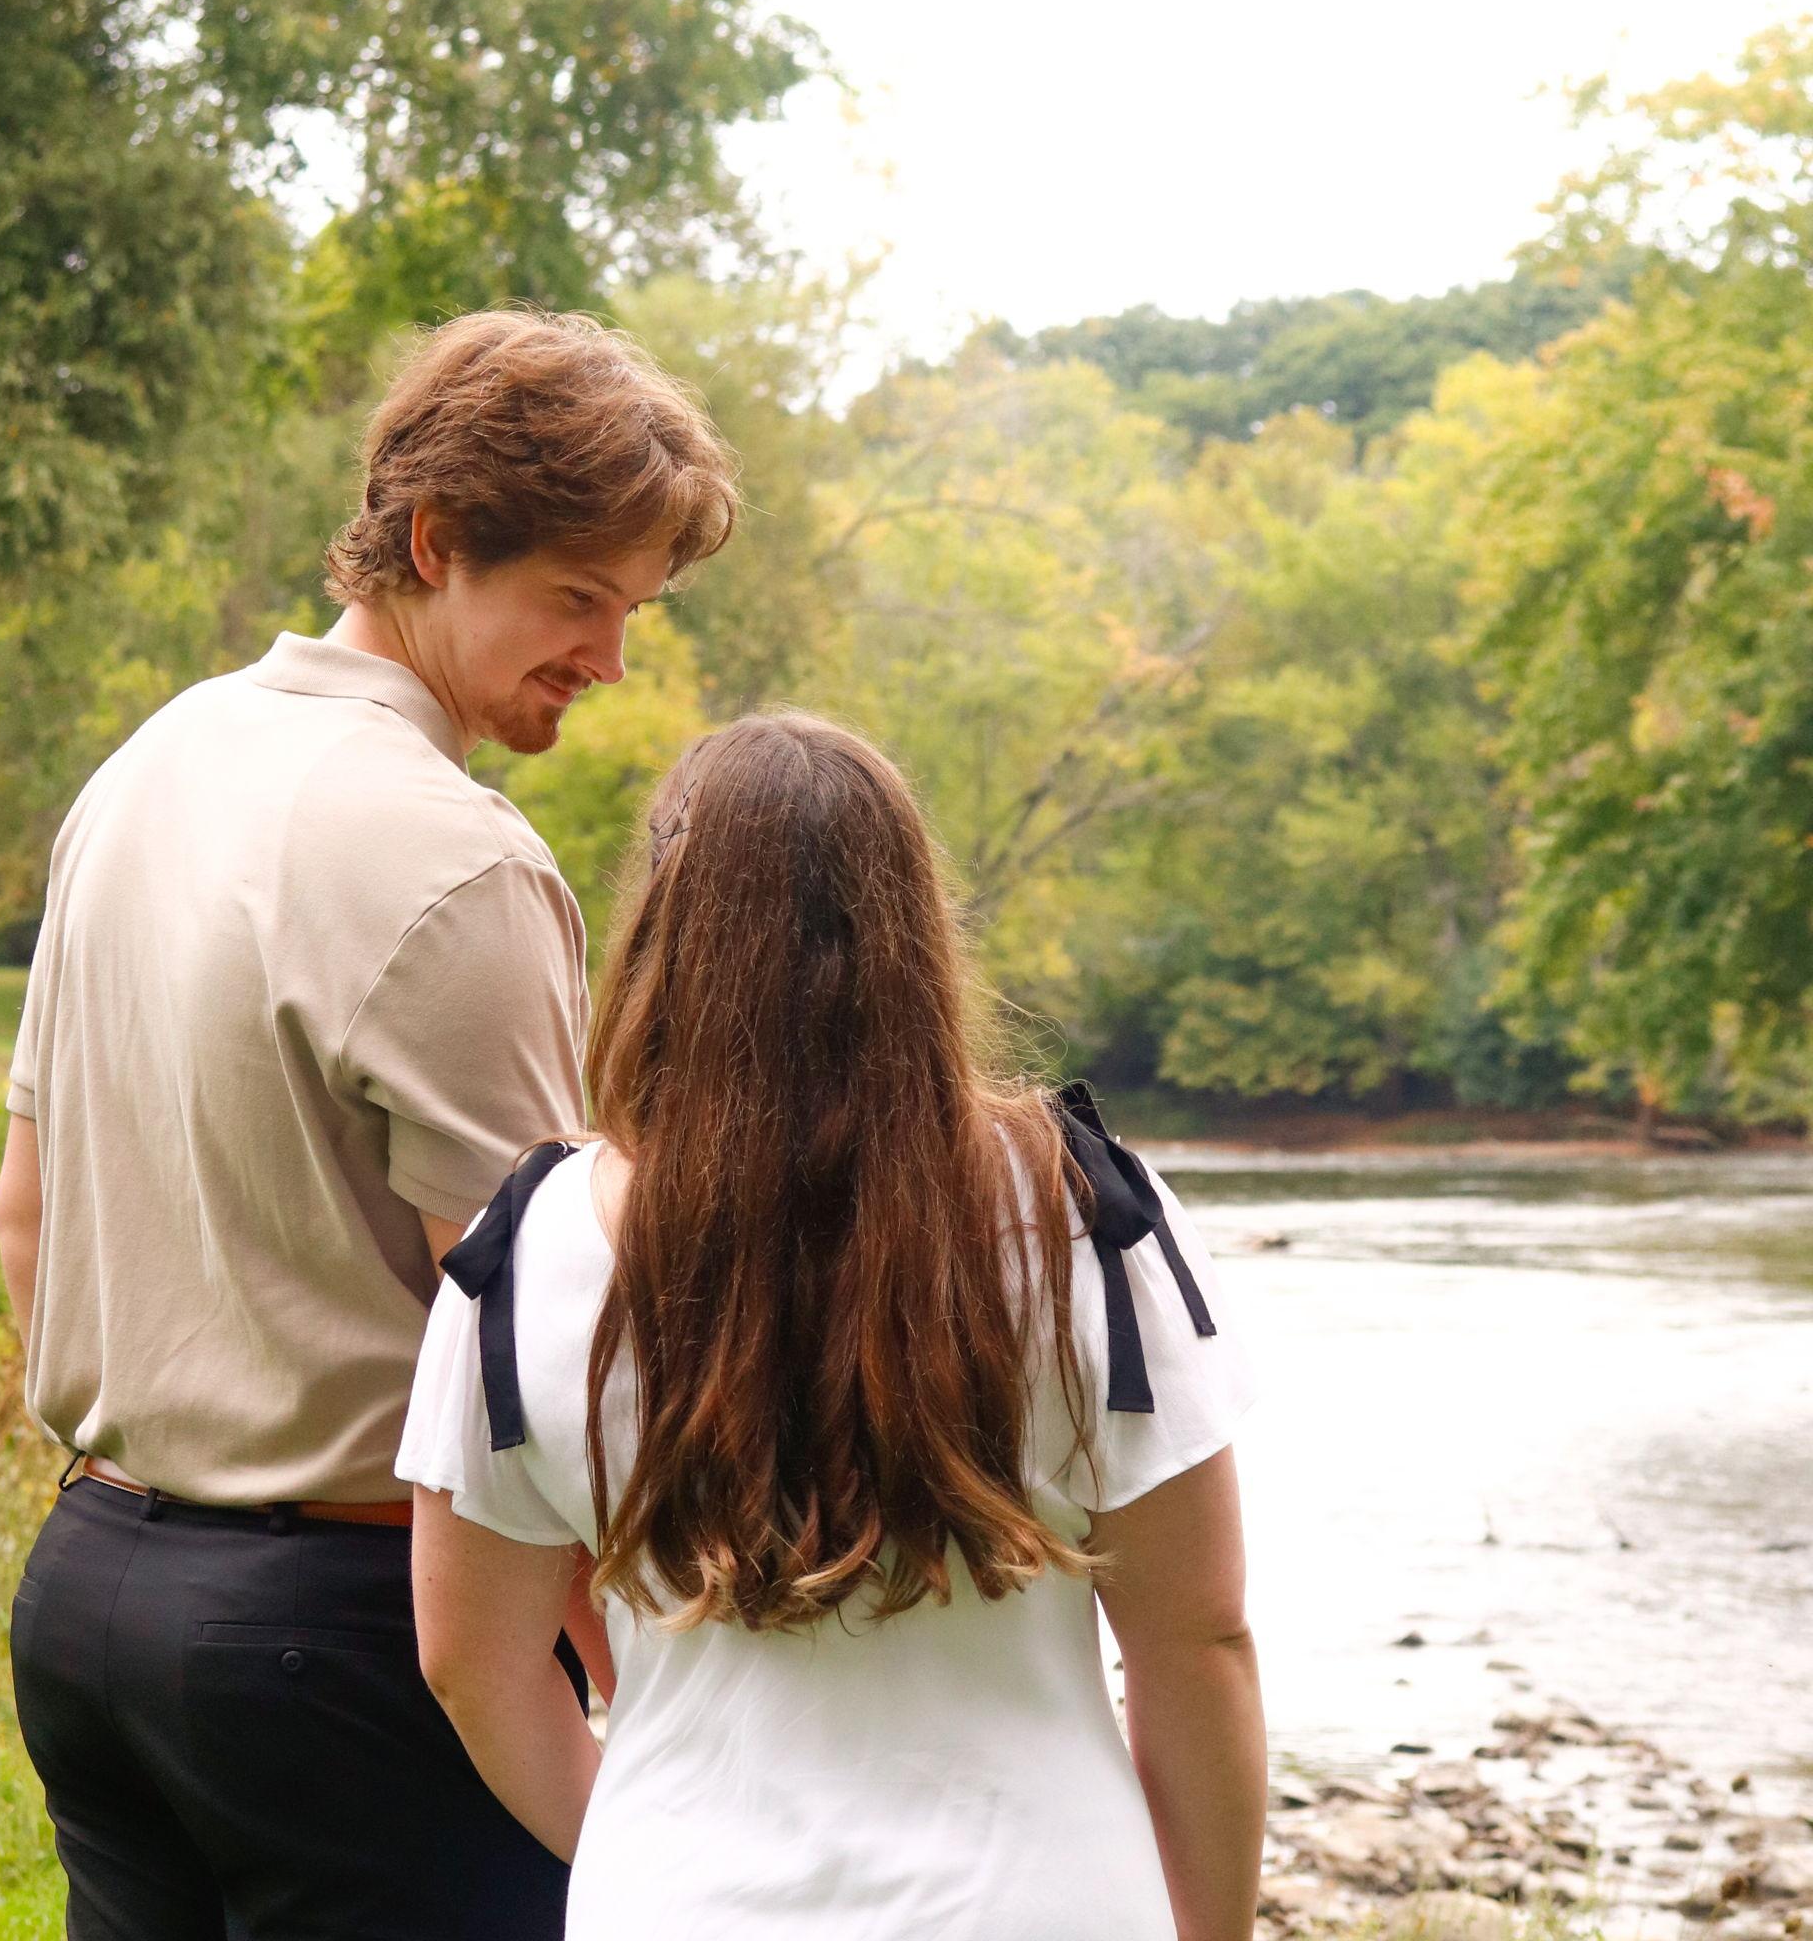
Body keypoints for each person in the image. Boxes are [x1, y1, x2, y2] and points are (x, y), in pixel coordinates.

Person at [0, 307, 740, 1941]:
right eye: (579, 598)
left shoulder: (147, 767)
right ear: (436, 540)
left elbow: (26, 1211)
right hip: (337, 1637)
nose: (610, 659)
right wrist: (640, 1664)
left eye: (630, 611)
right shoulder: (454, 857)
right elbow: (538, 1351)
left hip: (89, 1596)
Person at [400, 711, 1268, 1940]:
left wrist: (649, 1859)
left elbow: (469, 1663)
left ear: (662, 936)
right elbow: (1198, 1639)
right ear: (915, 927)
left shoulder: (523, 1246)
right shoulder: (1089, 1213)